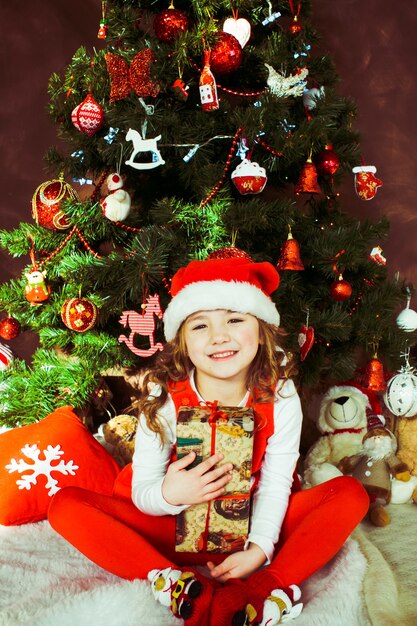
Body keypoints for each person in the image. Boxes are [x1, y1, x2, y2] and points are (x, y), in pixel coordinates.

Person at [48, 253, 369, 626]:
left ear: (261, 329)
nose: (219, 336)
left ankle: (263, 588)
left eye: (234, 319)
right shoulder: (163, 394)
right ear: (182, 340)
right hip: (172, 527)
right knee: (65, 506)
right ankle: (175, 583)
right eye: (200, 326)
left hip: (249, 523)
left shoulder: (278, 393)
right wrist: (171, 494)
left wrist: (261, 549)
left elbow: (278, 481)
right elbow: (144, 492)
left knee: (348, 495)